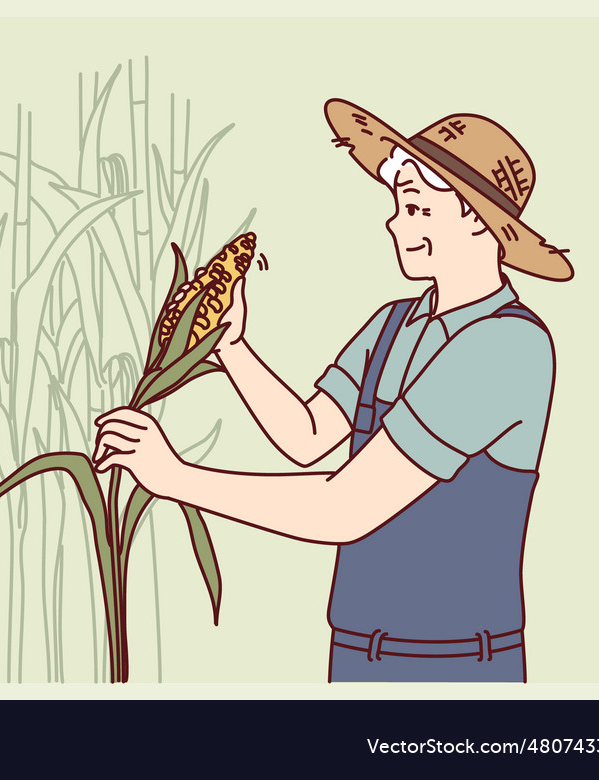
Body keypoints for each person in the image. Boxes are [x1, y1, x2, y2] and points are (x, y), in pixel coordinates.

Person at [92, 98, 572, 682]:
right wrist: (232, 347)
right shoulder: (394, 322)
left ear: (477, 218)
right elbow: (308, 436)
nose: (397, 223)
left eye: (417, 206)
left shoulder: (507, 349)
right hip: (354, 649)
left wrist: (176, 478)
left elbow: (344, 507)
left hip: (457, 660)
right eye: (398, 204)